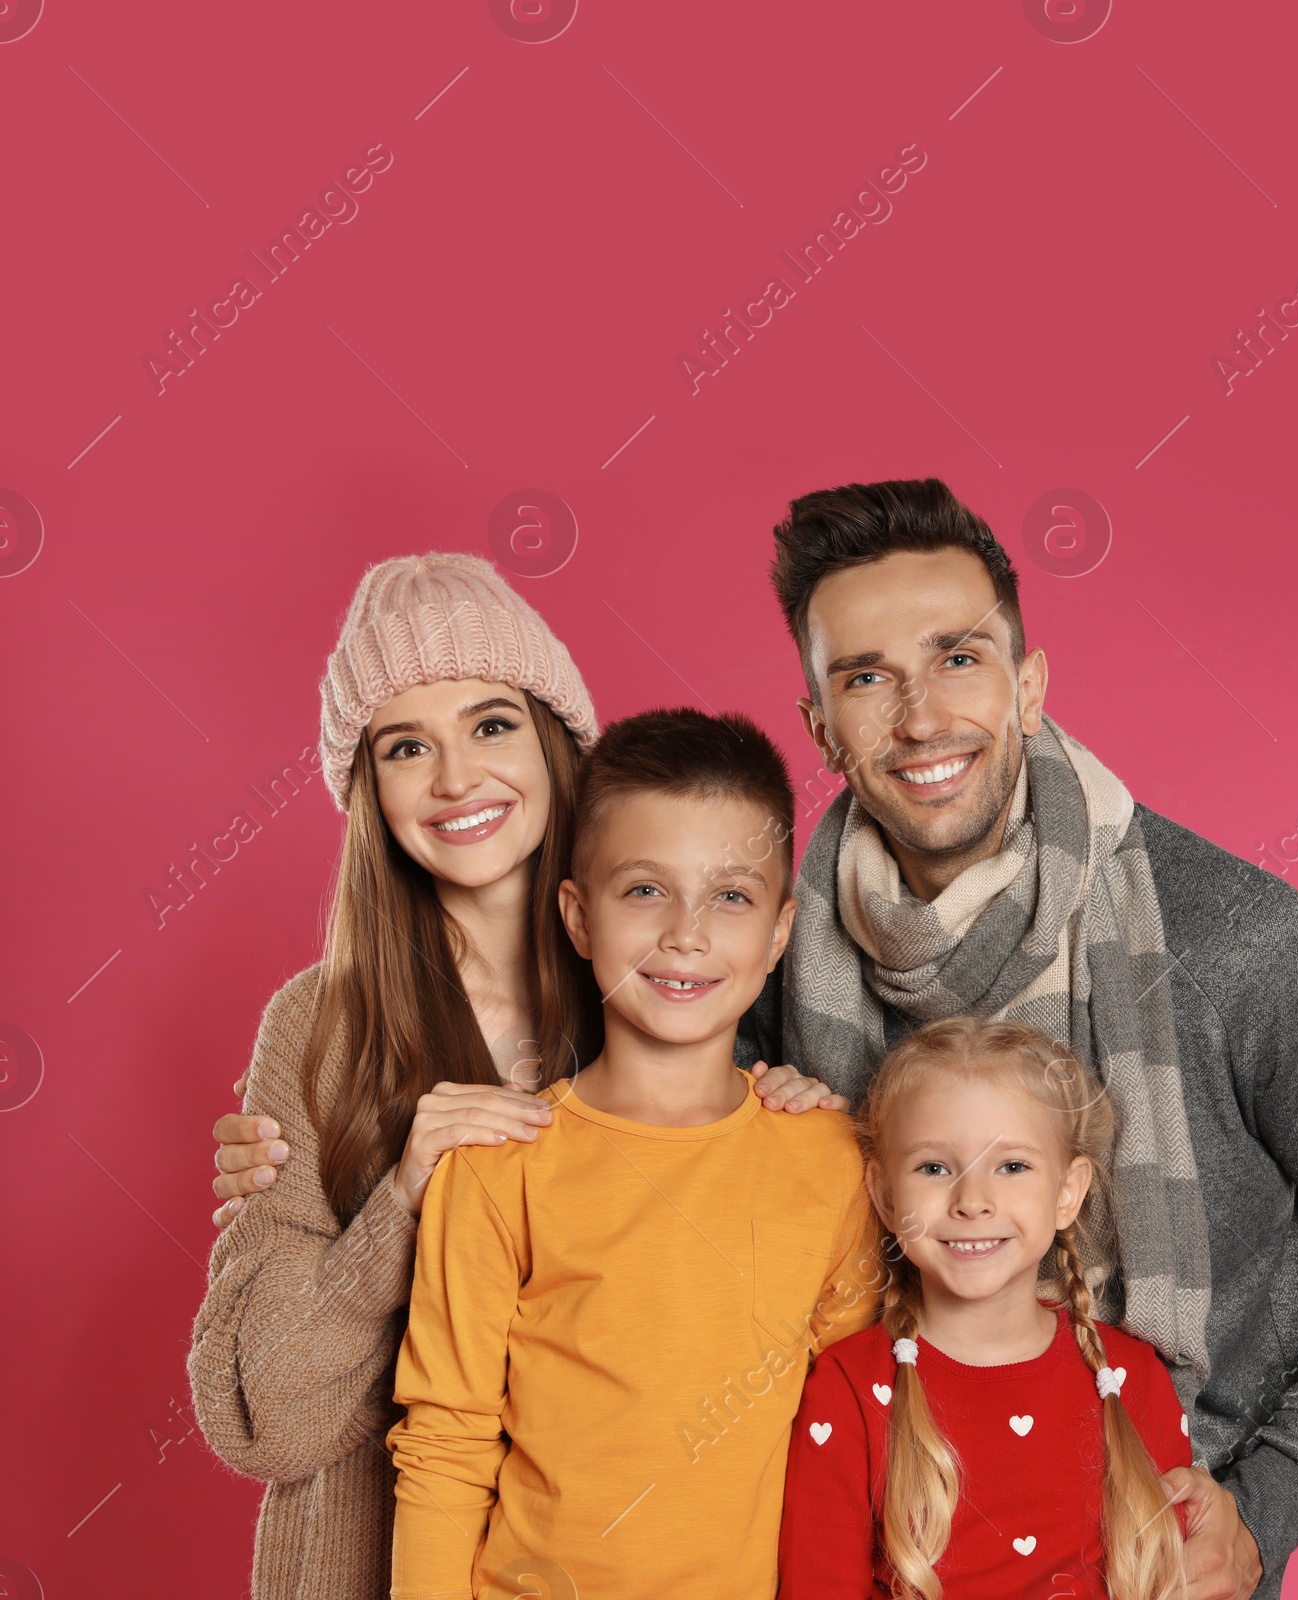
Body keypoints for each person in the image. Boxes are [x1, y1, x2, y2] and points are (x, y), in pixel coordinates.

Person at [740, 479, 1298, 1599]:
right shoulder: (772, 957)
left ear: (1029, 684)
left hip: (1160, 1549)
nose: (918, 717)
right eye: (865, 677)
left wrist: (1270, 1497)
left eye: (958, 657)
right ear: (819, 725)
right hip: (888, 1535)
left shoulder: (1232, 943)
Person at [188, 554, 838, 1600]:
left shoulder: (677, 980)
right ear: (368, 788)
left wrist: (807, 1106)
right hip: (358, 1568)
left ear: (556, 741)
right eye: (407, 745)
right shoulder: (320, 1029)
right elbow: (263, 1418)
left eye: (491, 724)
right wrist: (399, 1202)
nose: (455, 779)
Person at [387, 709, 876, 1600]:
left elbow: (852, 1439)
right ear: (578, 916)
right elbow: (445, 1449)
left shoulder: (831, 1163)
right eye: (645, 890)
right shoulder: (498, 1165)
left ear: (778, 933)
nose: (686, 932)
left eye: (731, 895)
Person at [779, 1017, 1190, 1600]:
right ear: (886, 1196)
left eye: (1012, 1167)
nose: (972, 1201)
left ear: (1067, 1193)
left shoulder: (1131, 1380)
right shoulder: (848, 1388)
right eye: (934, 1168)